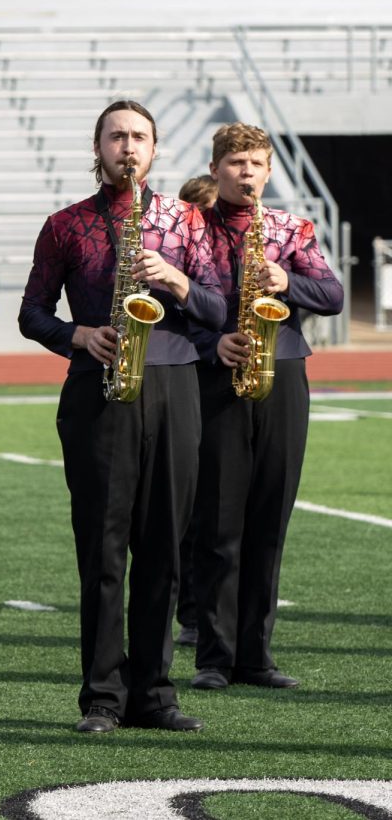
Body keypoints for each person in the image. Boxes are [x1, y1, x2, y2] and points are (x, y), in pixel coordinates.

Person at [18, 100, 226, 735]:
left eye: (139, 137)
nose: (127, 147)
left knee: (164, 546)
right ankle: (103, 696)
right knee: (104, 550)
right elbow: (31, 314)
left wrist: (180, 283)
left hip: (174, 389)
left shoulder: (188, 220)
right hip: (97, 392)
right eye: (116, 137)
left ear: (155, 149)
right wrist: (79, 337)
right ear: (99, 147)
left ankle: (155, 693)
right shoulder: (65, 224)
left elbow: (220, 310)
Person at [188, 122, 343, 692]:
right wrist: (212, 344)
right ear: (216, 169)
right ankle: (214, 656)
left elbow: (333, 295)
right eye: (234, 163)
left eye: (255, 163)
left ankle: (256, 655)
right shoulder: (190, 227)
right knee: (218, 520)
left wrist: (286, 281)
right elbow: (173, 305)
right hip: (217, 374)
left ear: (270, 170)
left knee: (270, 518)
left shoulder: (291, 229)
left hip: (284, 372)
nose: (246, 173)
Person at [172, 172, 217, 649]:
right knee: (185, 507)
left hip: (216, 380)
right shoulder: (181, 240)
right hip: (188, 376)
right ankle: (189, 613)